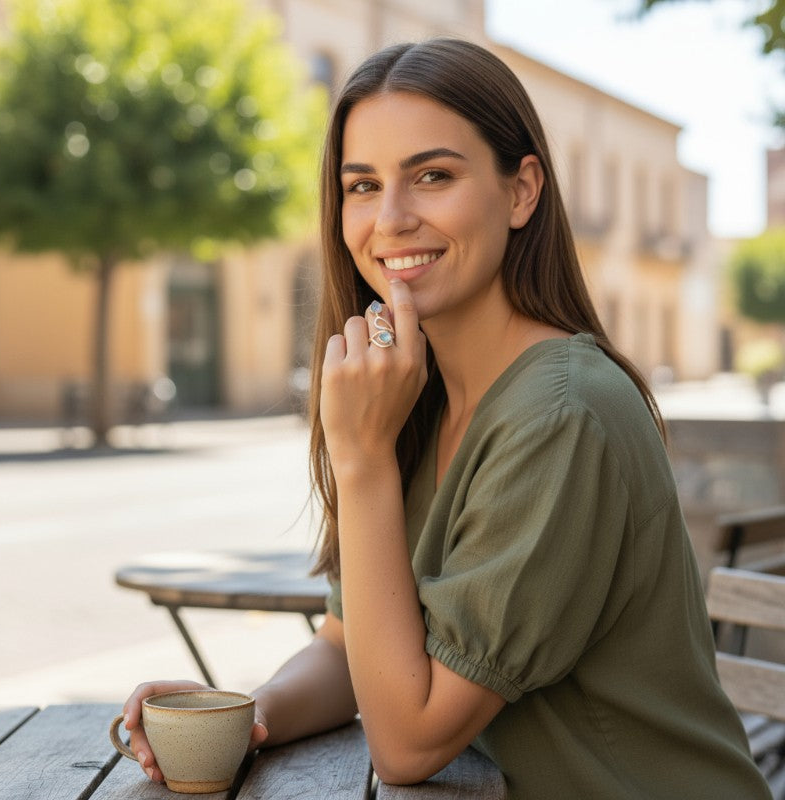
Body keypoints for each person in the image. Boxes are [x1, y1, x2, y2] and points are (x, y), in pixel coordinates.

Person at [123, 38, 772, 798]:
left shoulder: (560, 417)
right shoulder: (418, 394)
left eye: (432, 176)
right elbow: (344, 648)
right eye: (361, 186)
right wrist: (243, 718)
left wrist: (361, 461)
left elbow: (408, 740)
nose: (390, 219)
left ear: (522, 190)